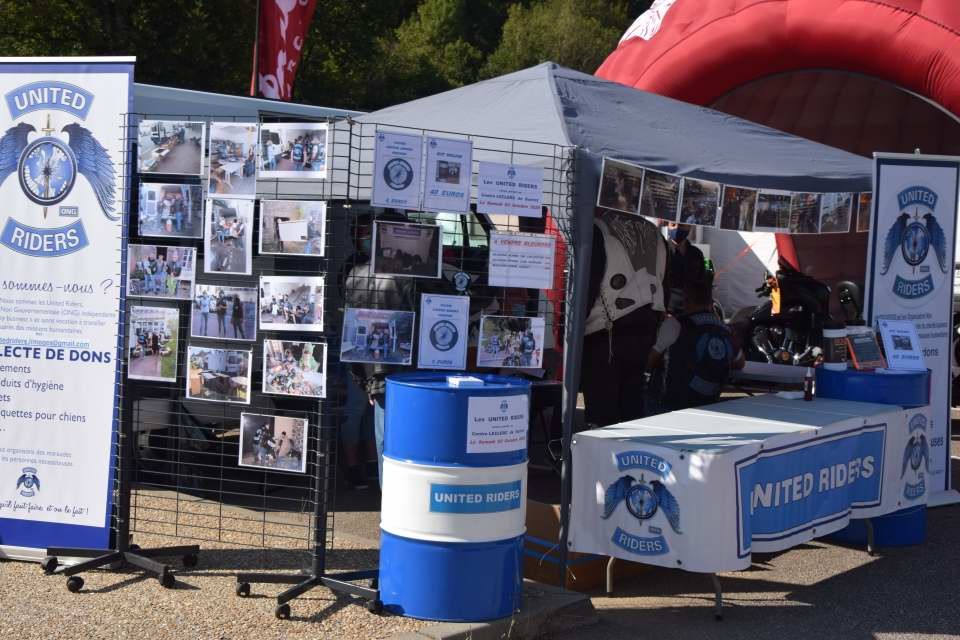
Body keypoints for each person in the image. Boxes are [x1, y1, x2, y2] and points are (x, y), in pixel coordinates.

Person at [581, 212, 669, 427]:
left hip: (605, 332)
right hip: (644, 329)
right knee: (632, 405)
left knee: (603, 414)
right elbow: (664, 283)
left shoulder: (597, 227)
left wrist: (574, 326)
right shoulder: (655, 233)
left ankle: (603, 458)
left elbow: (588, 286)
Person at [645, 277, 745, 414]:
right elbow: (740, 363)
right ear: (710, 302)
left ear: (686, 301)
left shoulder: (675, 324)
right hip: (709, 403)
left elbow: (651, 360)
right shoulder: (725, 329)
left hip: (668, 403)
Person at [667, 224, 706, 314]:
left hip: (691, 309)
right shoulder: (662, 250)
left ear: (690, 227)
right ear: (668, 226)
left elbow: (701, 280)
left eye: (682, 225)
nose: (677, 229)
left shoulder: (696, 253)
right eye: (673, 225)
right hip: (667, 309)